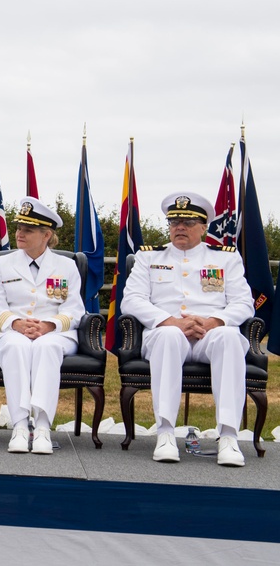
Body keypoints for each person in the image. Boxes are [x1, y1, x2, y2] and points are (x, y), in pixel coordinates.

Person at [121, 192, 253, 467]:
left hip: (210, 332)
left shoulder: (227, 259)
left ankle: (228, 435)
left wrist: (213, 321)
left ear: (204, 227)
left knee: (230, 337)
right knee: (169, 336)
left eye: (188, 222)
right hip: (166, 331)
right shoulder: (148, 257)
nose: (179, 227)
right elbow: (131, 300)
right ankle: (166, 432)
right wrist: (171, 322)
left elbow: (243, 304)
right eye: (174, 222)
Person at [0, 197, 84, 454]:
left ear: (46, 235)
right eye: (19, 228)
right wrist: (16, 323)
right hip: (13, 331)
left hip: (55, 333)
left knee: (46, 348)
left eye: (28, 230)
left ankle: (42, 427)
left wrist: (49, 326)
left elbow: (75, 310)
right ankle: (19, 425)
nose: (19, 233)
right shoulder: (3, 264)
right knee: (16, 348)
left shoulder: (67, 266)